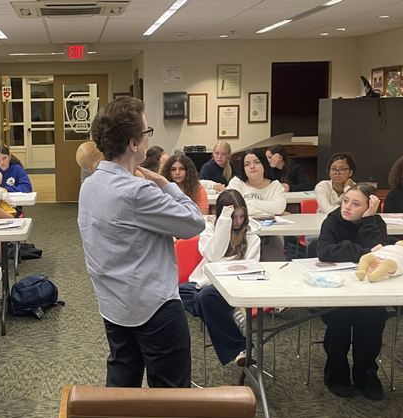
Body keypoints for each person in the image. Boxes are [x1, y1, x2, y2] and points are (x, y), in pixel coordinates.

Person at [78, 97, 205, 388]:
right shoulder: (138, 191)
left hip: (114, 304)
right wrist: (167, 186)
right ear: (134, 144)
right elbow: (194, 222)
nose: (149, 138)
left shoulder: (89, 186)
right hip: (154, 308)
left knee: (122, 388)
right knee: (170, 397)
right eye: (147, 133)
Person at [317, 183, 392, 401]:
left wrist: (369, 221)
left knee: (373, 317)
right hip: (336, 288)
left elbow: (383, 253)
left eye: (356, 204)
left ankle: (367, 372)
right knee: (341, 316)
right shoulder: (332, 220)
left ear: (370, 207)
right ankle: (336, 371)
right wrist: (363, 252)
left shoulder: (376, 222)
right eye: (346, 200)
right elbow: (324, 251)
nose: (347, 207)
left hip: (370, 288)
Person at [178, 190, 262, 367]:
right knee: (175, 293)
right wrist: (224, 222)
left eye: (241, 217)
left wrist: (222, 267)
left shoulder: (252, 236)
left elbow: (247, 270)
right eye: (233, 217)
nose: (238, 222)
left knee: (205, 298)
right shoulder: (209, 229)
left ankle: (240, 346)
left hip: (234, 285)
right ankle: (236, 319)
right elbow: (214, 254)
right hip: (203, 284)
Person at [226, 148, 286, 217]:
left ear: (264, 164)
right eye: (247, 164)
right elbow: (232, 209)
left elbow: (279, 208)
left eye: (257, 162)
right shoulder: (236, 183)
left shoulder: (275, 185)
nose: (252, 167)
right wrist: (270, 213)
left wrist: (248, 202)